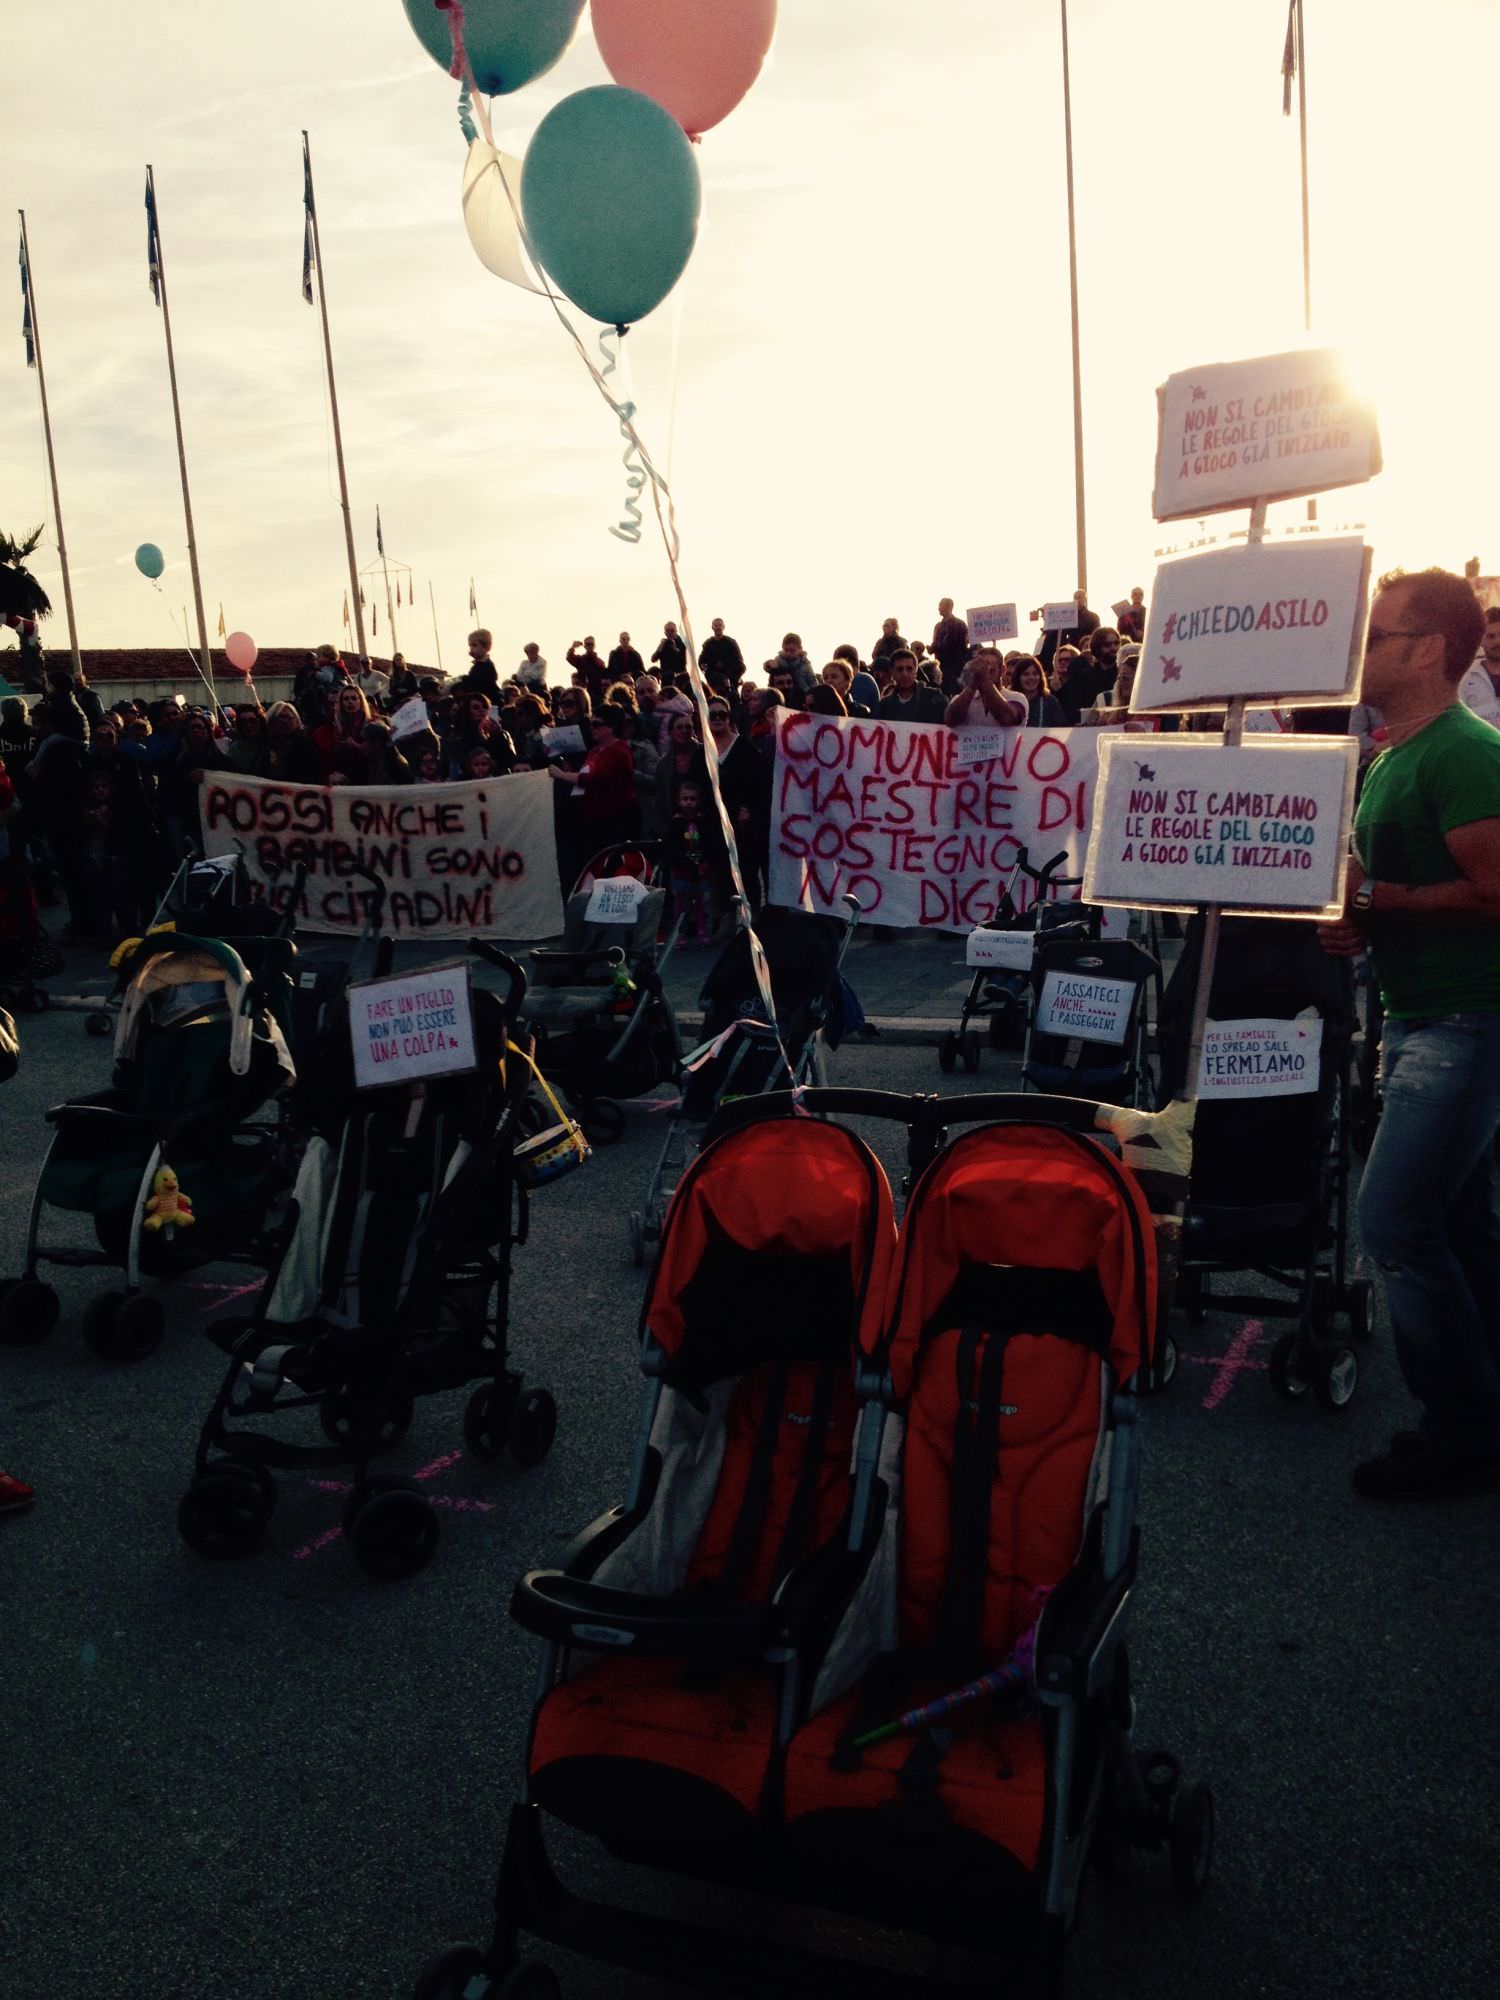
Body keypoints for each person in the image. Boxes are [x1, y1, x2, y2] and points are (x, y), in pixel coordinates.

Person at [1318, 567, 1500, 1499]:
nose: (1361, 652)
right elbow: (1376, 890)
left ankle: (1459, 1427)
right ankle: (1483, 1410)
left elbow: (1494, 893)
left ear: (1429, 649)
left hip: (1466, 1022)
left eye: (1377, 636)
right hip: (1423, 1014)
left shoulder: (1464, 752)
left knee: (1393, 1224)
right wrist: (1357, 919)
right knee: (1462, 1223)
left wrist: (1376, 898)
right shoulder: (1396, 753)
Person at [662, 776, 724, 947]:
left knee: (703, 902)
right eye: (685, 799)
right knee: (680, 903)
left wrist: (706, 863)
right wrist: (680, 864)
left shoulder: (705, 822)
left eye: (692, 799)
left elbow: (712, 845)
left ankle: (703, 931)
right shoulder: (675, 824)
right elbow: (671, 847)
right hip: (681, 869)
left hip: (702, 868)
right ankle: (679, 934)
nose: (688, 803)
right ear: (678, 801)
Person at [943, 648, 1027, 730]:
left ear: (1002, 670)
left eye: (991, 670)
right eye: (979, 668)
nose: (982, 673)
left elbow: (1006, 718)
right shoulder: (962, 697)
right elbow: (950, 721)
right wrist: (972, 686)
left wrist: (985, 681)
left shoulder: (1017, 697)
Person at [876, 649, 947, 726]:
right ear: (892, 672)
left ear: (916, 671)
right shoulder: (884, 706)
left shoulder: (934, 698)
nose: (904, 674)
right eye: (900, 669)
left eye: (909, 669)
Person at [1011, 656, 1065, 728]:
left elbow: (1062, 729)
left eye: (1035, 674)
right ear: (1018, 677)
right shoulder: (1011, 700)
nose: (1031, 678)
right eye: (1026, 674)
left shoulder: (1050, 701)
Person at [930, 598, 970, 691]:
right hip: (941, 666)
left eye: (941, 606)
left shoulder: (959, 624)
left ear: (949, 607)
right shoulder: (938, 626)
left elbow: (953, 644)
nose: (938, 608)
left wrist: (934, 647)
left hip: (955, 667)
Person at [699, 617, 745, 686]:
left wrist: (733, 678)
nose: (718, 628)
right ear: (712, 627)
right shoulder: (708, 644)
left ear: (723, 627)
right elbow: (702, 662)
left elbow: (740, 663)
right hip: (713, 679)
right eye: (716, 625)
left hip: (730, 678)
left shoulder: (731, 643)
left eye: (720, 625)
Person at [462, 630, 500, 700]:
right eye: (470, 646)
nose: (471, 648)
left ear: (486, 647)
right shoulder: (477, 665)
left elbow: (481, 684)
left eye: (474, 645)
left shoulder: (486, 665)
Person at [651, 621, 688, 691]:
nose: (670, 633)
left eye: (672, 631)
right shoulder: (664, 644)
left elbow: (685, 661)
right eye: (667, 631)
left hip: (679, 673)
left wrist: (675, 649)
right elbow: (653, 659)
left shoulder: (682, 643)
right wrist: (659, 648)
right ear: (665, 633)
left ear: (676, 631)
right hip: (665, 673)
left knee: (670, 675)